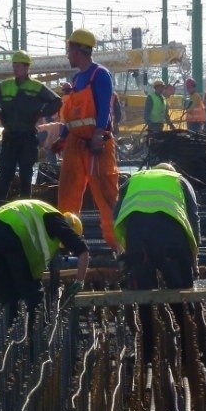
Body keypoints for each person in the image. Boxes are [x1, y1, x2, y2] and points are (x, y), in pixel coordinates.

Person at [113, 163, 200, 365]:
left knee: (144, 296)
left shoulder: (132, 180)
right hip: (171, 241)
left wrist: (124, 254)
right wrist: (194, 258)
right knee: (182, 294)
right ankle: (189, 353)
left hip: (137, 242)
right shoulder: (179, 180)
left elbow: (117, 216)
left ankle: (148, 353)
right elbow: (193, 218)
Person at [55, 28, 120, 250]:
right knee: (68, 195)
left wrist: (99, 136)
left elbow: (104, 109)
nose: (67, 55)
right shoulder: (77, 78)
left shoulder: (99, 75)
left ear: (79, 51)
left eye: (69, 50)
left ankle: (117, 246)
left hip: (95, 144)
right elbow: (73, 116)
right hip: (75, 144)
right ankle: (68, 244)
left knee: (106, 196)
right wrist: (62, 138)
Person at [0, 200, 89, 325]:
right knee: (31, 291)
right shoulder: (57, 221)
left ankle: (11, 332)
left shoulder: (43, 218)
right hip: (12, 230)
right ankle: (37, 333)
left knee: (7, 292)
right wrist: (79, 281)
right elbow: (83, 250)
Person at [0, 50, 62, 206]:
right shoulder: (5, 86)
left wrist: (41, 113)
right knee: (5, 172)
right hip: (10, 136)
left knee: (26, 173)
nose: (15, 69)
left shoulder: (36, 87)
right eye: (14, 66)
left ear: (27, 68)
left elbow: (57, 101)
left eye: (18, 66)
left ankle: (25, 205)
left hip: (28, 137)